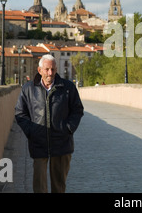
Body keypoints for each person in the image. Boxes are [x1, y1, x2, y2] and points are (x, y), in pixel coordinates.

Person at [15, 54, 84, 193]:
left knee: (59, 185)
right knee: (39, 186)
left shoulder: (68, 87)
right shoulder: (28, 89)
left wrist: (68, 129)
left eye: (53, 69)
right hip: (39, 143)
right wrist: (31, 132)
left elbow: (77, 110)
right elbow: (20, 113)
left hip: (62, 144)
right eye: (47, 69)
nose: (50, 73)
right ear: (39, 70)